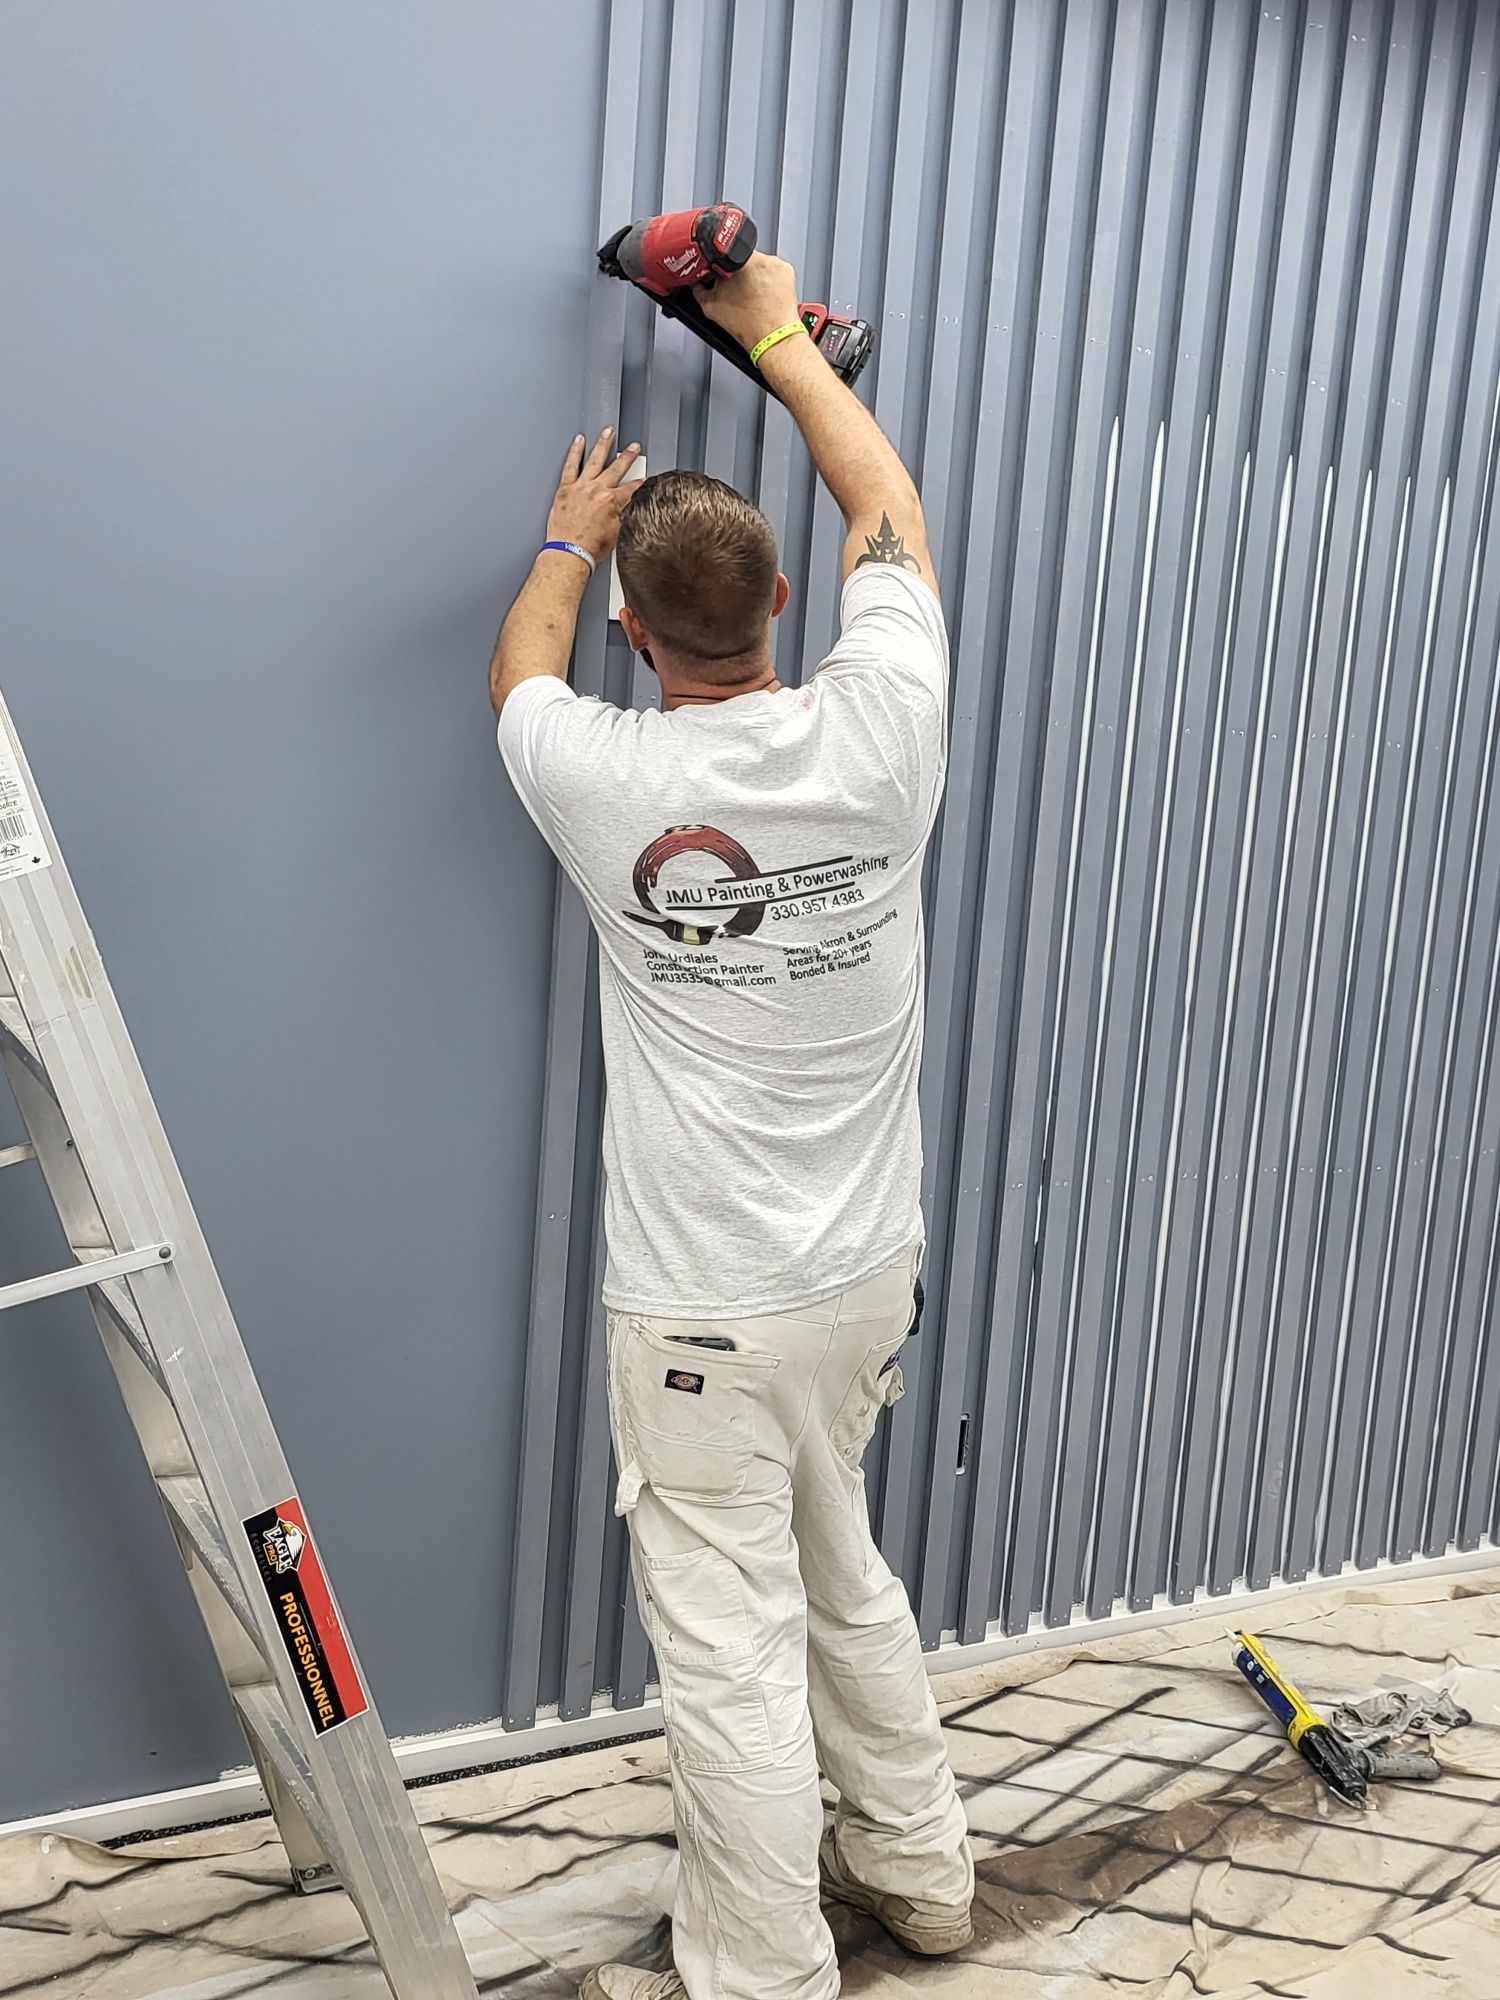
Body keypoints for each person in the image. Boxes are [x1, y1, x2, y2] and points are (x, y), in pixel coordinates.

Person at [490, 251, 973, 2000]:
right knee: (845, 1575)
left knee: (730, 1650)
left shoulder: (605, 773)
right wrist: (770, 328)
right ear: (786, 597)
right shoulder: (886, 723)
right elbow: (886, 506)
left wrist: (568, 537)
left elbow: (520, 673)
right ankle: (923, 1877)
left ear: (638, 637)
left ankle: (760, 1971)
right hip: (859, 1277)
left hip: (703, 1307)